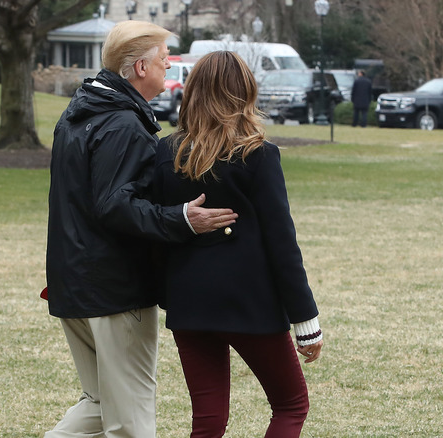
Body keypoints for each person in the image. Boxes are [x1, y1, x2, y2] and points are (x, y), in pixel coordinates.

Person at [45, 21, 238, 438]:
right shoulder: (122, 125)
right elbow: (115, 206)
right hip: (113, 290)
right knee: (130, 419)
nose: (169, 63)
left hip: (75, 283)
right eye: (162, 57)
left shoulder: (81, 115)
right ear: (138, 69)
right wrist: (183, 219)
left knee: (100, 404)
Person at [153, 51, 324, 438]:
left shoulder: (166, 152)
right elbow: (283, 242)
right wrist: (306, 320)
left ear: (193, 92)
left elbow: (157, 231)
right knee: (291, 406)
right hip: (250, 301)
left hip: (188, 300)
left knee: (208, 420)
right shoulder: (258, 154)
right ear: (244, 92)